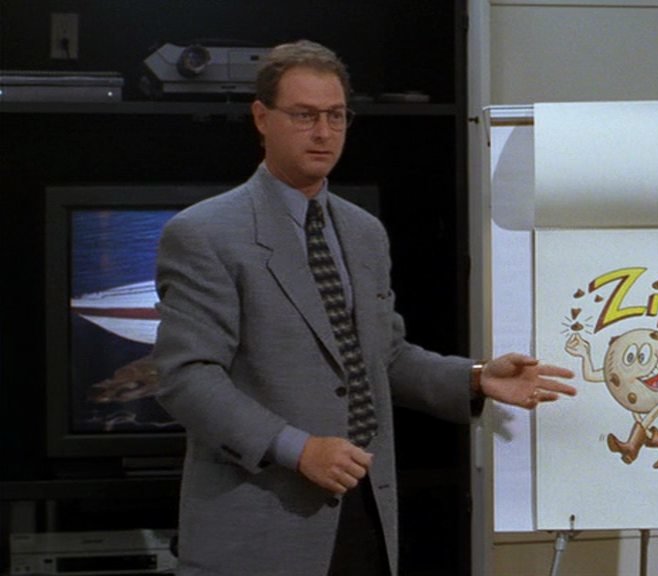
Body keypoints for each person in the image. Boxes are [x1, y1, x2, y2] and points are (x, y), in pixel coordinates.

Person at [152, 39, 575, 576]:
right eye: (304, 115)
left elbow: (384, 357)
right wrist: (297, 448)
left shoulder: (362, 232)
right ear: (261, 118)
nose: (323, 132)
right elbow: (186, 378)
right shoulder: (205, 234)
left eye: (336, 116)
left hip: (365, 513)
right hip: (262, 525)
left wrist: (474, 378)